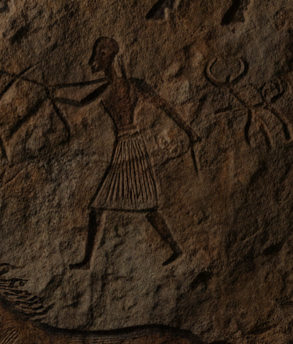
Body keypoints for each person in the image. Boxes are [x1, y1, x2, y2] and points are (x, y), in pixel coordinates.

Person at [54, 36, 198, 269]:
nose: (95, 58)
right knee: (140, 206)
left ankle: (91, 261)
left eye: (100, 53)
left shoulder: (126, 85)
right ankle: (174, 249)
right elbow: (81, 104)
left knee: (115, 207)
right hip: (127, 145)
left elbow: (164, 106)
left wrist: (190, 131)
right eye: (97, 53)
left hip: (131, 146)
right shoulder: (115, 86)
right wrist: (57, 96)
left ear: (110, 56)